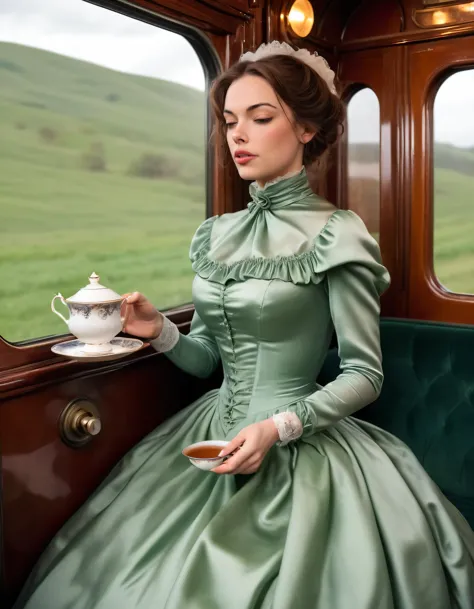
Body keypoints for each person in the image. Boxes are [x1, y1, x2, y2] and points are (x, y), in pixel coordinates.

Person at [14, 41, 474, 609]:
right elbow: (209, 358)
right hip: (206, 434)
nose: (238, 135)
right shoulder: (215, 233)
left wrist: (278, 428)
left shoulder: (339, 233)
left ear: (306, 128)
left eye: (261, 118)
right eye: (230, 121)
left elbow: (364, 374)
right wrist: (159, 330)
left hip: (300, 441)